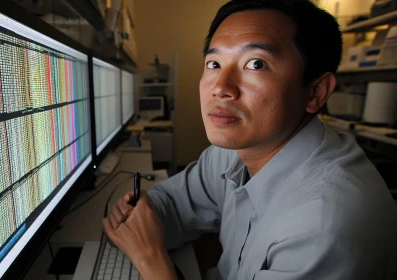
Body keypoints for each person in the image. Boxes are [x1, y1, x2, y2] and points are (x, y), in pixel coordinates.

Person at [102, 0, 397, 279]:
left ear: (316, 92)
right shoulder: (236, 151)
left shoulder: (324, 225)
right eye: (214, 63)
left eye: (256, 64)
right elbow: (173, 203)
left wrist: (151, 258)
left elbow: (155, 244)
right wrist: (139, 216)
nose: (220, 88)